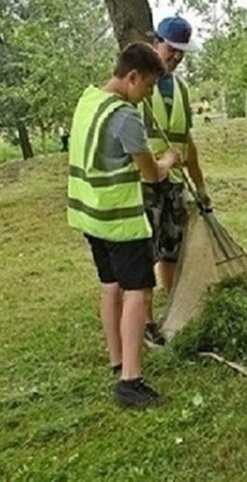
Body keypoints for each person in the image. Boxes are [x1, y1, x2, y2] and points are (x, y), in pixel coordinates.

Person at [67, 42, 182, 408]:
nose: (147, 94)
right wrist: (169, 159)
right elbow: (150, 174)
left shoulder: (88, 101)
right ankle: (131, 381)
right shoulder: (125, 117)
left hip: (90, 215)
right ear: (132, 77)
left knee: (109, 286)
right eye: (147, 86)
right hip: (119, 220)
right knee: (138, 293)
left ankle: (117, 359)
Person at [141, 15, 210, 346]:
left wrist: (201, 186)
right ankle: (145, 321)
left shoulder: (181, 90)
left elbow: (188, 144)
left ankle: (172, 312)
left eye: (182, 52)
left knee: (172, 252)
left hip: (174, 184)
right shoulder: (138, 84)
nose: (177, 57)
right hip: (143, 184)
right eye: (172, 49)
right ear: (156, 43)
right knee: (145, 255)